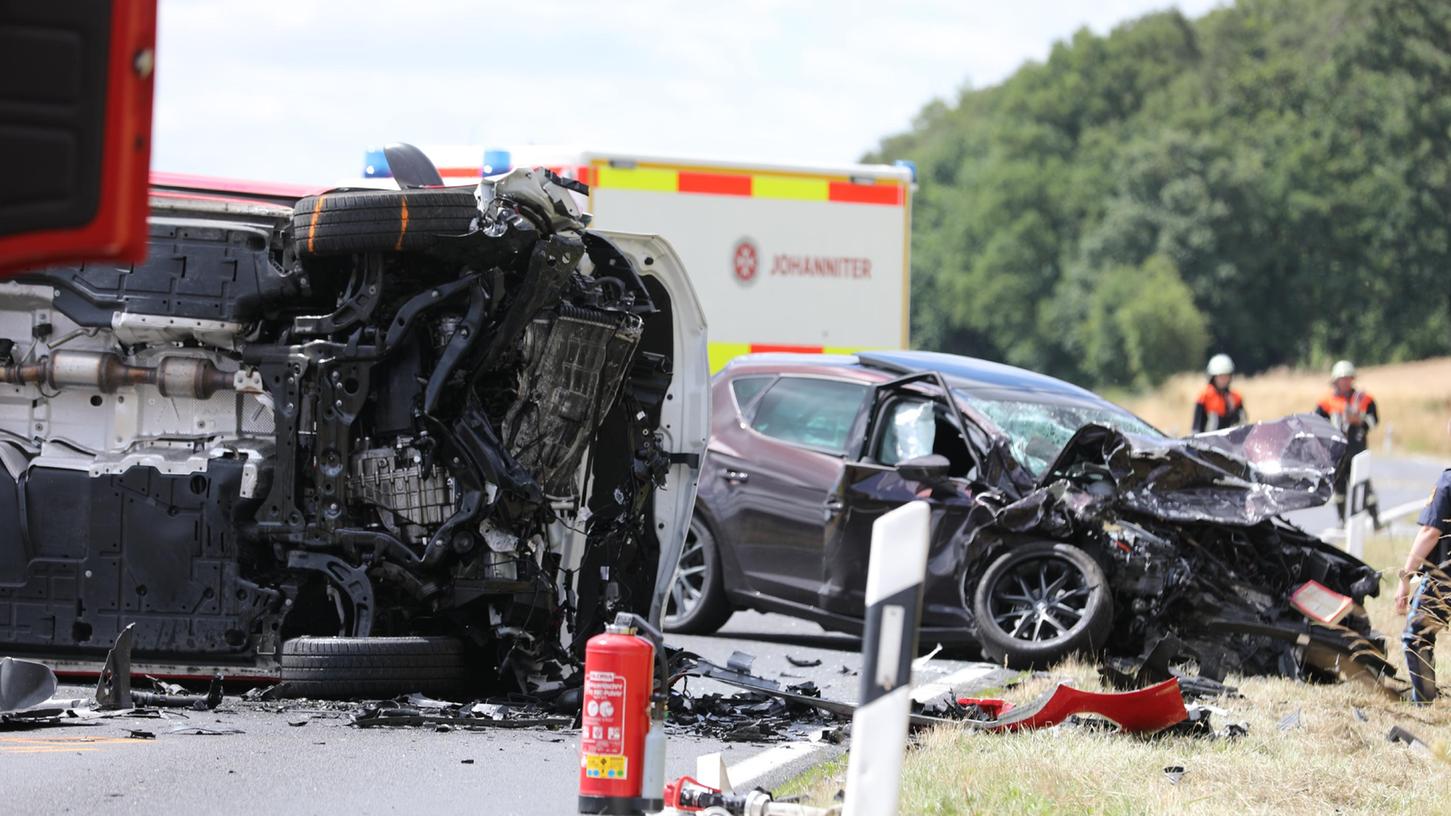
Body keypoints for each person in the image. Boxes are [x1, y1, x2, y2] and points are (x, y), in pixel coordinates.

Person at [1395, 419, 1451, 703]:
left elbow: (1430, 532)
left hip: (1446, 579)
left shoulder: (1448, 481)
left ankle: (1426, 705)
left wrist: (1406, 578)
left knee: (1417, 637)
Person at [1315, 360, 1381, 525]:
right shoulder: (1326, 402)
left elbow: (1374, 420)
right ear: (1335, 381)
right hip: (1336, 452)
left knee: (1364, 485)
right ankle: (1342, 520)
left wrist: (1359, 420)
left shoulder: (1364, 399)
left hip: (1358, 449)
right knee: (1339, 488)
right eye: (1341, 379)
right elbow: (1317, 424)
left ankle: (1374, 519)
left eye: (1347, 378)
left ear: (1352, 379)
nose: (1344, 382)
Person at [1191, 353, 1245, 433]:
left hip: (1232, 443)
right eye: (1220, 376)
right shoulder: (1204, 397)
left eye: (1226, 376)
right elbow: (1197, 428)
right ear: (1213, 377)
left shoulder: (1236, 397)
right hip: (1208, 443)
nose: (1223, 380)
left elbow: (1243, 423)